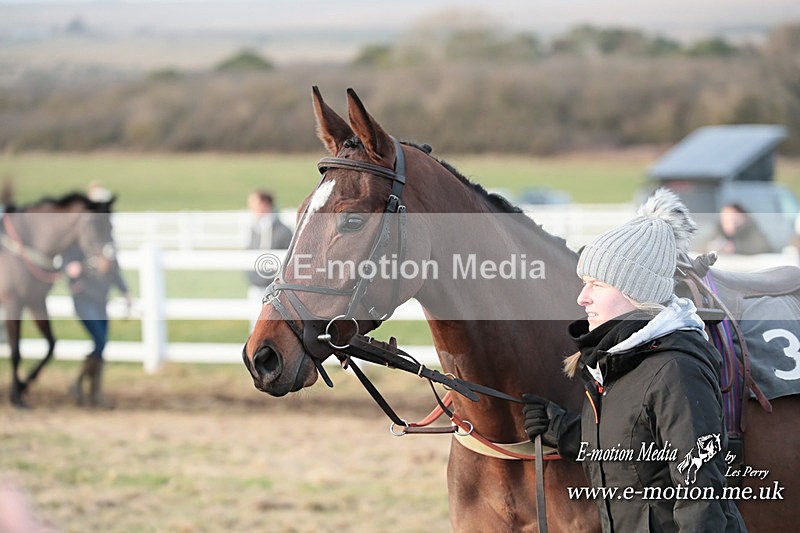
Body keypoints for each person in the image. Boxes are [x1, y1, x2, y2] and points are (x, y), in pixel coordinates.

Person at [522, 188, 745, 532]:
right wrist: (563, 430)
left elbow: (701, 498)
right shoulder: (618, 364)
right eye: (584, 283)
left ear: (634, 292)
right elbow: (632, 446)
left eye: (596, 284)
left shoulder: (676, 372)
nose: (582, 297)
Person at [66, 184, 130, 408]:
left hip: (100, 296)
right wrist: (74, 270)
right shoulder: (79, 233)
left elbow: (113, 268)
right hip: (84, 295)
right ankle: (82, 386)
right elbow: (69, 259)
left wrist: (125, 291)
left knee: (101, 344)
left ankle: (91, 392)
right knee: (100, 341)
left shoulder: (106, 235)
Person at [245, 190, 293, 329]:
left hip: (274, 289)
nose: (252, 208)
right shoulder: (255, 229)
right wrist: (252, 278)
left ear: (265, 204)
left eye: (254, 204)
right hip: (256, 287)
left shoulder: (283, 231)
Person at [706, 203, 771, 255]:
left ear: (743, 218)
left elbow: (762, 247)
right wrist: (712, 248)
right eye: (725, 217)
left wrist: (735, 248)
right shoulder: (719, 229)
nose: (728, 221)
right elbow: (703, 245)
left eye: (732, 217)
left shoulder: (750, 229)